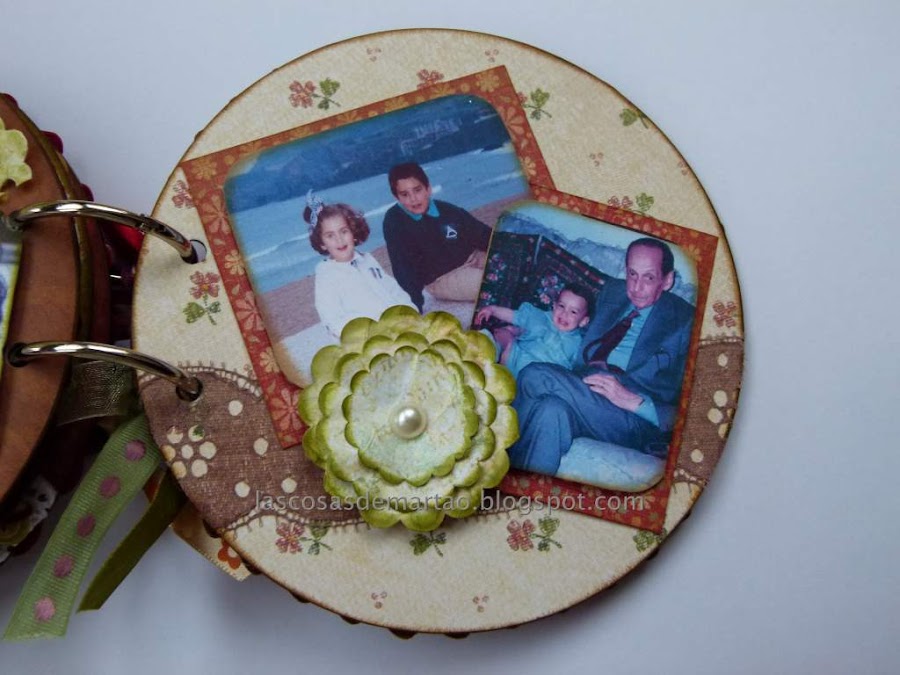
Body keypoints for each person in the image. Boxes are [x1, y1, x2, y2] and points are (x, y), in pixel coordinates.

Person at [508, 237, 694, 476]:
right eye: (632, 274)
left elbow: (696, 411)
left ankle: (497, 453)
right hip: (583, 393)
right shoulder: (613, 291)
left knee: (535, 374)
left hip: (630, 416)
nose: (636, 287)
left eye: (648, 277)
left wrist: (635, 401)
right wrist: (517, 330)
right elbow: (570, 320)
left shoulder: (688, 321)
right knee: (550, 410)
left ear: (667, 280)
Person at [382, 162, 491, 311]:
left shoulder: (446, 209)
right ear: (397, 197)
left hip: (472, 258)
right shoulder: (394, 222)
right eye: (405, 194)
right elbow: (403, 268)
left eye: (417, 190)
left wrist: (486, 252)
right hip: (442, 278)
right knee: (493, 283)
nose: (413, 199)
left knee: (513, 261)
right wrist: (414, 307)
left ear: (428, 188)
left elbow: (482, 233)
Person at [305, 192, 416, 339]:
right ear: (322, 243)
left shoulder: (367, 260)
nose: (339, 240)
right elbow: (331, 318)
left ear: (353, 232)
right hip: (363, 338)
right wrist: (363, 334)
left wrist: (409, 310)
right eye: (330, 235)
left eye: (343, 231)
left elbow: (393, 289)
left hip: (394, 326)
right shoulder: (327, 274)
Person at [474, 284, 593, 377]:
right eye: (561, 306)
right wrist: (493, 310)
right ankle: (478, 356)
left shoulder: (578, 344)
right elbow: (515, 316)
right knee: (500, 334)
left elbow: (579, 370)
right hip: (514, 358)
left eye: (573, 312)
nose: (564, 314)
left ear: (583, 321)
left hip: (540, 379)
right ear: (554, 306)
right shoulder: (540, 318)